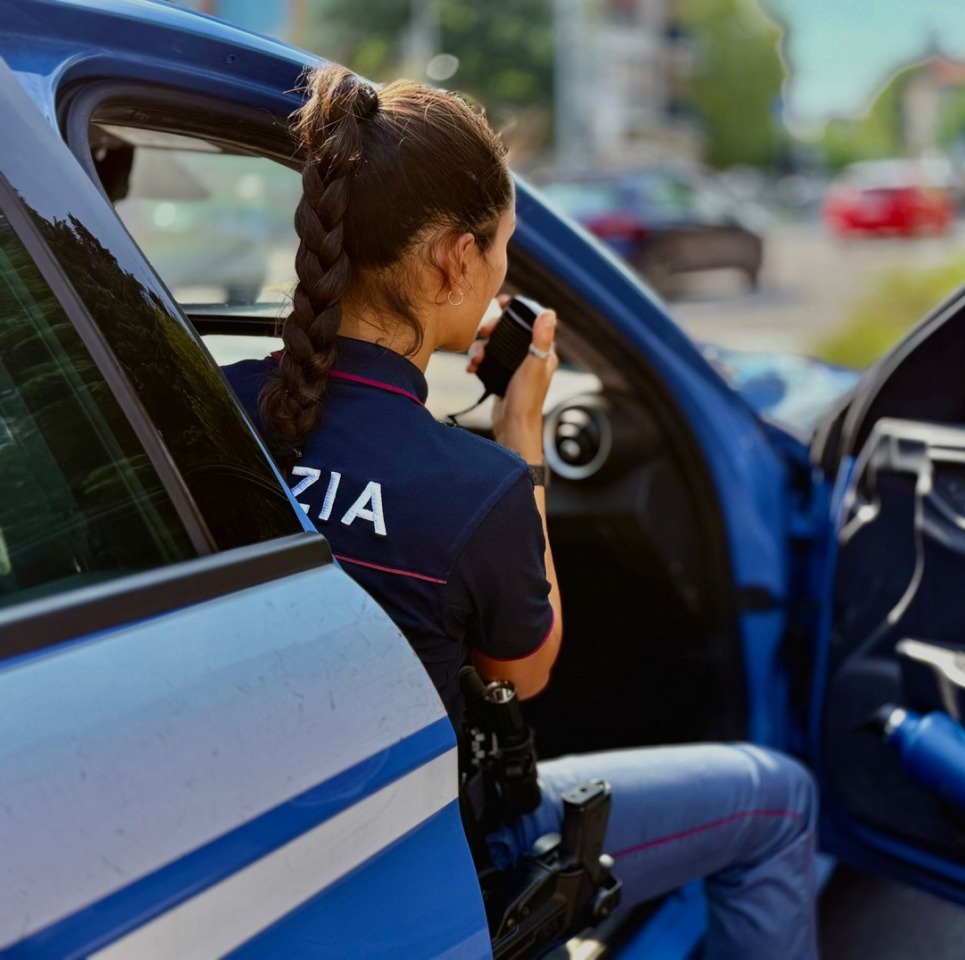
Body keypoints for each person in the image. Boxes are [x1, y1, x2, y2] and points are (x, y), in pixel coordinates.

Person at [221, 65, 819, 960]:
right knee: (776, 798)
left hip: (262, 826)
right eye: (502, 246)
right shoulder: (475, 487)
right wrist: (522, 439)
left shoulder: (209, 407)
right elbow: (524, 672)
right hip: (438, 846)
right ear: (457, 260)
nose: (503, 269)